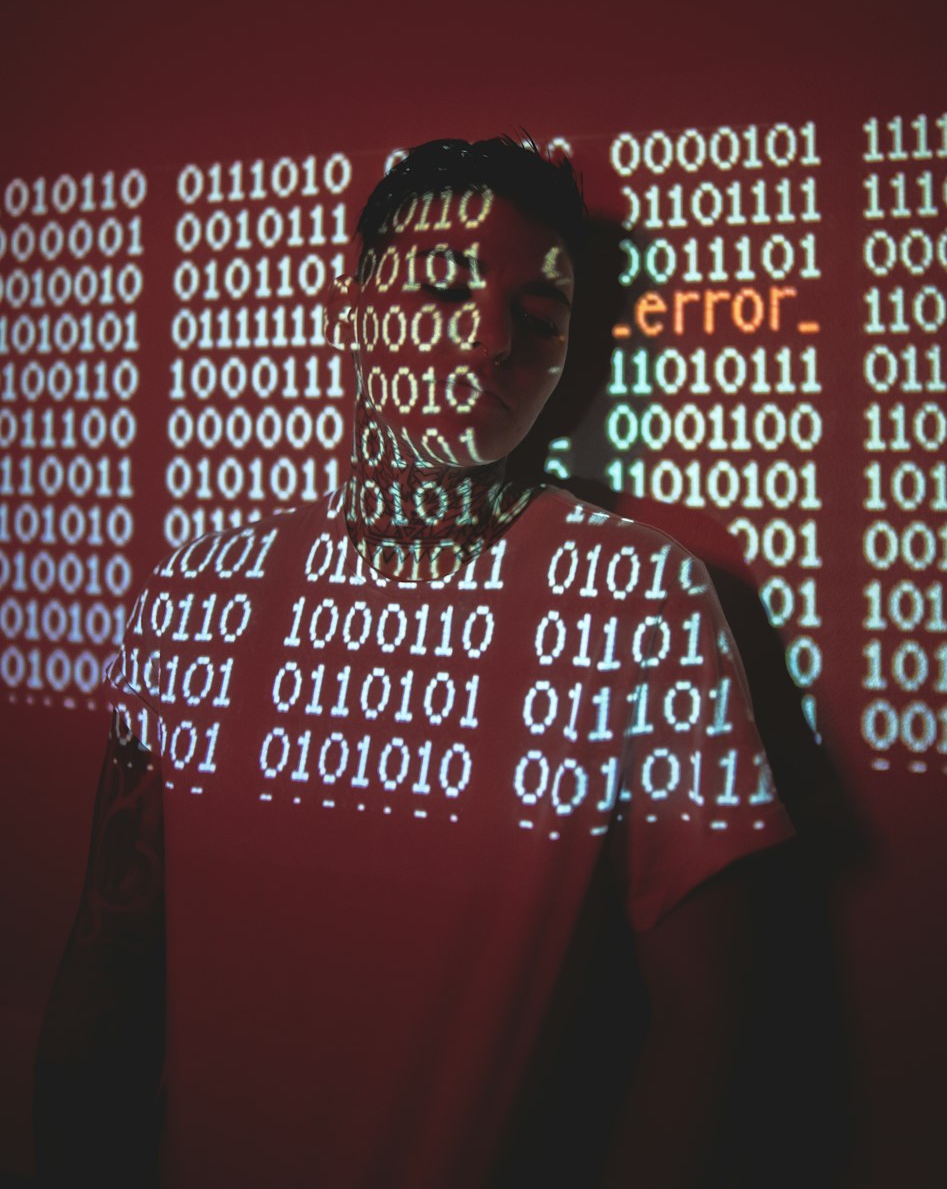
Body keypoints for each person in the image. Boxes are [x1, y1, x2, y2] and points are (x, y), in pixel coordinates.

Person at [35, 136, 794, 1187]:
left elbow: (706, 1030)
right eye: (444, 289)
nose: (489, 342)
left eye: (538, 316)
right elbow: (110, 948)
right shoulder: (197, 593)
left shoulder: (638, 595)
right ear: (352, 312)